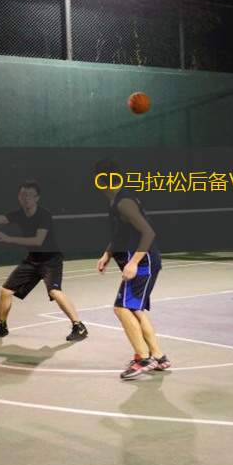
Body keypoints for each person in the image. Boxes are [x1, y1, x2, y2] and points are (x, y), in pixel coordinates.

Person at [0, 181, 88, 341]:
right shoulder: (19, 214)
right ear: (18, 197)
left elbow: (38, 240)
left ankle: (79, 326)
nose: (26, 198)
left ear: (37, 198)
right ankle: (1, 326)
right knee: (5, 291)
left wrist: (9, 239)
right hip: (32, 260)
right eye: (23, 195)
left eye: (29, 195)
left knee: (54, 291)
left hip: (51, 260)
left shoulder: (44, 215)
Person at [93, 159, 169, 380]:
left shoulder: (124, 202)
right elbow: (121, 234)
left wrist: (134, 262)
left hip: (143, 263)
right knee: (135, 309)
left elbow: (148, 233)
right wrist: (107, 254)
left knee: (121, 308)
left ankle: (143, 359)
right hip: (144, 262)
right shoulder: (118, 201)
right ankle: (158, 356)